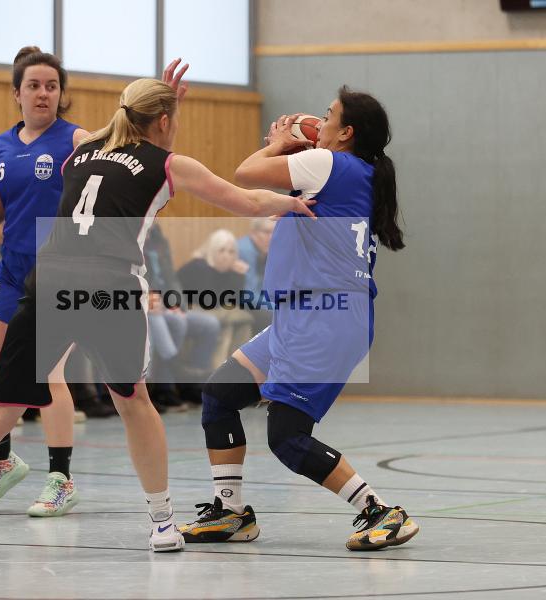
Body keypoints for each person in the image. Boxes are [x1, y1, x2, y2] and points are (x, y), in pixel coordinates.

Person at [0, 68, 315, 560]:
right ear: (163, 121)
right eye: (172, 118)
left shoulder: (83, 150)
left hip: (49, 281)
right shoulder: (168, 163)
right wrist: (294, 203)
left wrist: (162, 102)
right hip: (110, 283)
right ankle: (162, 524)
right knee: (134, 403)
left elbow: (124, 132)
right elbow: (245, 200)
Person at [179, 88, 418, 551]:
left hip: (323, 319)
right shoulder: (349, 172)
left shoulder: (330, 164)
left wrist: (277, 144)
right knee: (219, 396)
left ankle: (380, 511)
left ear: (346, 133)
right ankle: (230, 513)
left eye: (329, 116)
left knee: (287, 437)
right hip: (306, 315)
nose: (319, 121)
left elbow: (246, 173)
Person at [0, 47, 91, 517]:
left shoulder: (77, 139)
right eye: (34, 85)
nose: (43, 93)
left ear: (60, 93)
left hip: (59, 271)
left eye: (52, 85)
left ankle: (61, 478)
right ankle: (2, 460)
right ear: (17, 93)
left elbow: (108, 186)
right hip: (11, 269)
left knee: (48, 372)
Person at [145, 222, 219, 409]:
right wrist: (149, 299)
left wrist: (176, 303)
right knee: (174, 322)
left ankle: (192, 385)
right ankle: (167, 385)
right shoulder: (129, 235)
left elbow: (171, 279)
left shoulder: (159, 238)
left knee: (210, 324)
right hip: (142, 304)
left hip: (164, 304)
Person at [177, 229, 254, 368]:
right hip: (187, 307)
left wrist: (238, 276)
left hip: (212, 309)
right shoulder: (199, 266)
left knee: (244, 322)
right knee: (231, 321)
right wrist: (235, 276)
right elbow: (209, 301)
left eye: (231, 252)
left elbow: (235, 301)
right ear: (211, 250)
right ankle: (217, 370)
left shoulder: (227, 271)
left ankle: (238, 369)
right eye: (221, 250)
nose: (226, 256)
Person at [236, 217, 275, 333]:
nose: (271, 237)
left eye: (274, 232)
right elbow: (249, 294)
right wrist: (276, 307)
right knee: (274, 316)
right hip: (236, 300)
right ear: (253, 233)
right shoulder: (245, 250)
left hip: (253, 299)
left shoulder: (264, 250)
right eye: (266, 232)